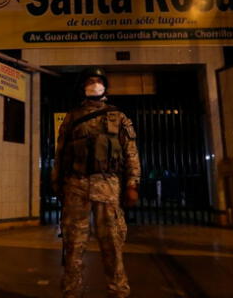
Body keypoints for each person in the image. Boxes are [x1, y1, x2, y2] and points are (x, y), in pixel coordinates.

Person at [52, 67, 141, 298]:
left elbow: (131, 153)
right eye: (90, 81)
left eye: (98, 81)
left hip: (108, 187)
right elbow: (60, 153)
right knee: (72, 246)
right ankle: (71, 292)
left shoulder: (118, 117)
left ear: (104, 86)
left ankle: (118, 292)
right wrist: (56, 183)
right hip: (75, 186)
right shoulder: (72, 117)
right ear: (83, 87)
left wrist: (132, 184)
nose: (94, 84)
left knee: (112, 244)